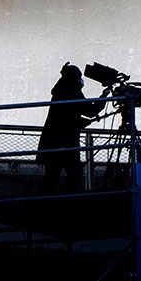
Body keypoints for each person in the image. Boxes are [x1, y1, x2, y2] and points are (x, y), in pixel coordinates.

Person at [36, 62, 96, 191]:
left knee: (51, 177)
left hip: (52, 141)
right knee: (74, 175)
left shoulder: (60, 90)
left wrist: (80, 122)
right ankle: (67, 200)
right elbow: (89, 110)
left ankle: (40, 200)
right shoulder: (73, 91)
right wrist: (104, 97)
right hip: (66, 142)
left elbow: (65, 116)